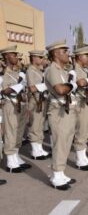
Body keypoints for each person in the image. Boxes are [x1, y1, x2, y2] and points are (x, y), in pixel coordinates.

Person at [45, 40, 77, 190]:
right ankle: (56, 174)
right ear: (56, 54)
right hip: (58, 111)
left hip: (66, 110)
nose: (67, 54)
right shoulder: (53, 69)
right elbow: (60, 90)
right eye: (64, 51)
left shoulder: (63, 70)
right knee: (60, 142)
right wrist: (73, 85)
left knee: (66, 141)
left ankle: (61, 172)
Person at [0, 45, 31, 173]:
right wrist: (18, 86)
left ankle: (16, 156)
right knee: (11, 131)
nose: (16, 57)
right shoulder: (2, 75)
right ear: (6, 56)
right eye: (13, 55)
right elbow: (3, 92)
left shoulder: (17, 73)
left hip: (21, 105)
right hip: (10, 105)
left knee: (19, 131)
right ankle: (11, 161)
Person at [26, 50, 51, 160]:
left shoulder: (39, 70)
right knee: (35, 125)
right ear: (33, 58)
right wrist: (46, 86)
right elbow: (32, 87)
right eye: (40, 58)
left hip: (42, 100)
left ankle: (39, 148)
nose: (42, 60)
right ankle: (35, 150)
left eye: (43, 58)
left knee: (40, 125)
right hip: (35, 101)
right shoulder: (30, 71)